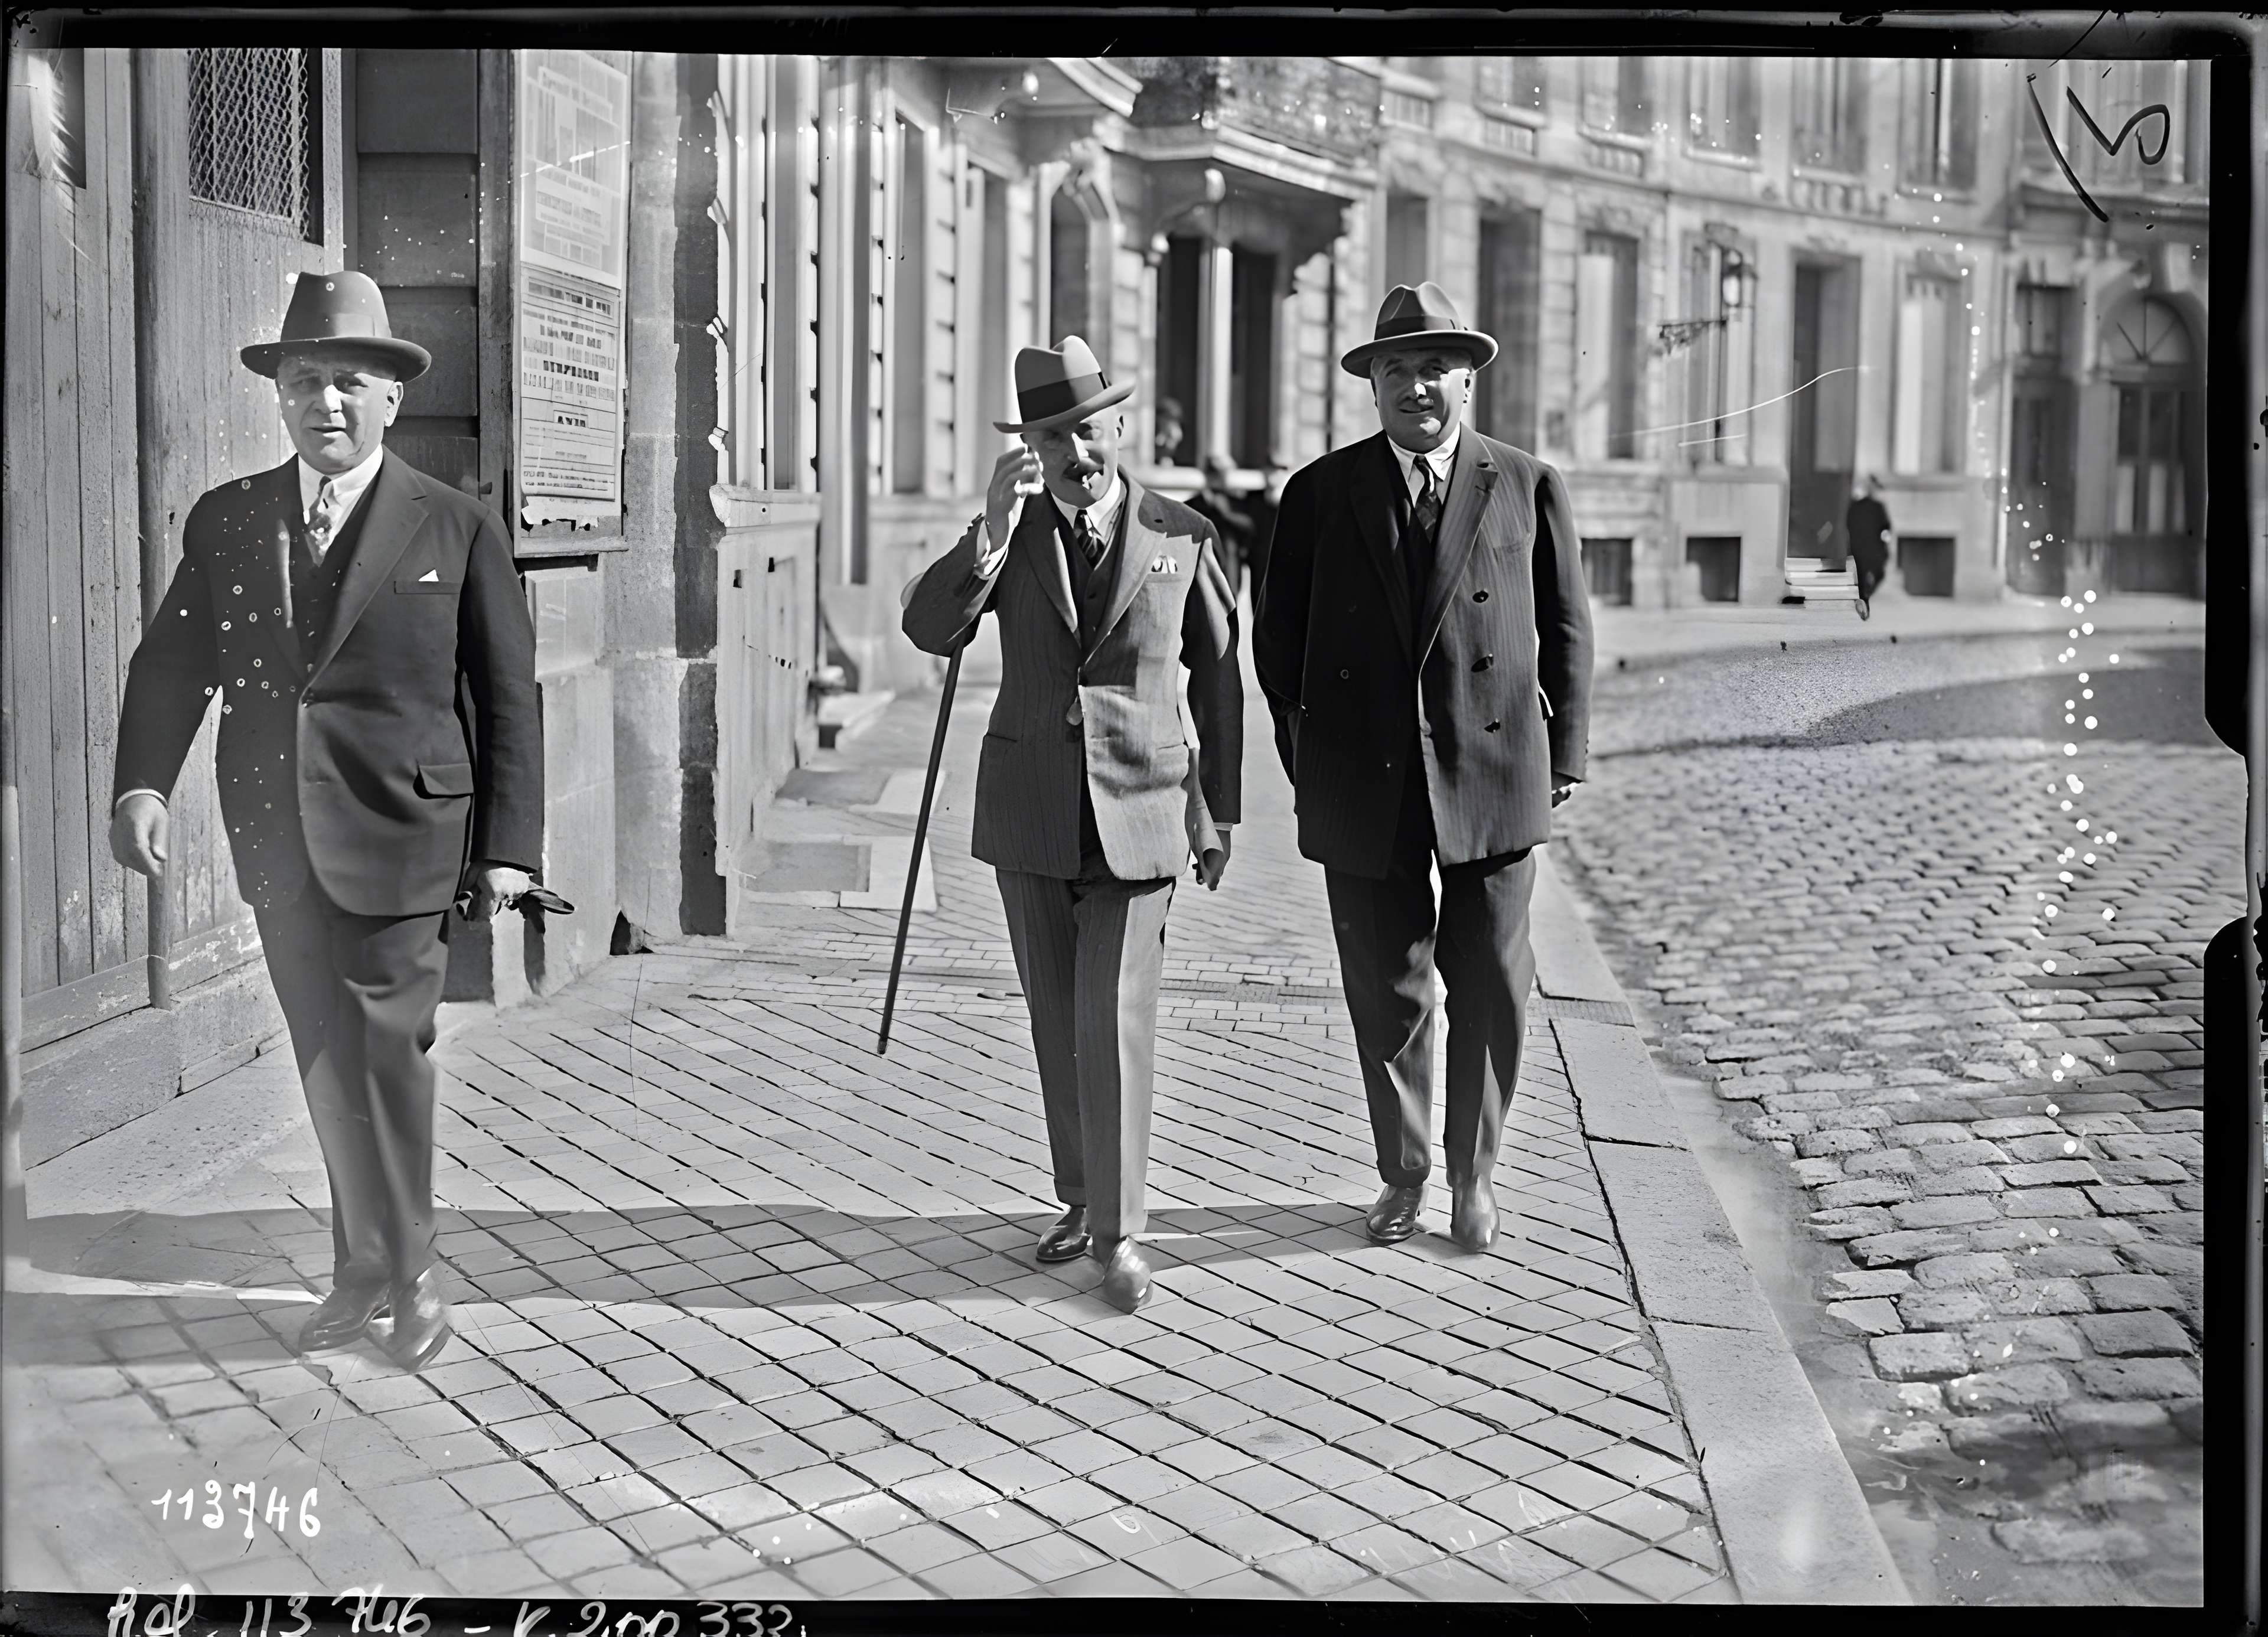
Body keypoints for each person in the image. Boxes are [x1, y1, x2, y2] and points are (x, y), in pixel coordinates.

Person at [109, 271, 543, 1370]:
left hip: (407, 835)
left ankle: (412, 1273)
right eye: (306, 383)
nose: (328, 405)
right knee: (323, 1060)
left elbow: (507, 695)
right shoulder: (231, 517)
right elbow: (172, 664)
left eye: (350, 383)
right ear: (280, 396)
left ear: (392, 399)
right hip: (277, 835)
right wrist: (142, 784)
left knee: (387, 1052)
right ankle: (361, 1267)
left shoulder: (455, 523)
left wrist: (509, 847)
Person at [1254, 282, 1594, 1254]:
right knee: (1386, 985)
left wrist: (1563, 748)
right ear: (1372, 387)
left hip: (1493, 770)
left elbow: (1567, 625)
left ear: (1468, 378)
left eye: (1434, 368)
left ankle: (1475, 1177)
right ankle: (1404, 1174)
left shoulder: (1525, 483)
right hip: (1366, 780)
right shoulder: (1321, 492)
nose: (1416, 388)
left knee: (1489, 978)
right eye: (1396, 370)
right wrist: (1307, 751)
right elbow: (1276, 640)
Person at [902, 337, 1241, 1313]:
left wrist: (1217, 811)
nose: (1076, 456)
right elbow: (930, 629)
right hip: (1033, 812)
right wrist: (988, 530)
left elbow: (1218, 675)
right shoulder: (1009, 541)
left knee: (1114, 1019)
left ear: (1121, 429)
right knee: (1058, 1022)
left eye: (1087, 433)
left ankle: (1122, 1231)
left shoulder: (1182, 533)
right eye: (1053, 439)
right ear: (1029, 450)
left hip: (1140, 806)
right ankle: (1080, 1195)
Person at [1185, 452, 1256, 606]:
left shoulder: (1237, 503)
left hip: (1229, 569)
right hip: (1200, 570)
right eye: (1214, 474)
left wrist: (1225, 513)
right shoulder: (1194, 505)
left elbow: (1250, 529)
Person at [1846, 476, 1892, 620]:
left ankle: (1865, 600)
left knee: (1870, 577)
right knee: (1870, 577)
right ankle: (1864, 605)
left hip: (1864, 548)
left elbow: (1885, 529)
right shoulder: (1861, 506)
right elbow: (1886, 529)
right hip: (1866, 549)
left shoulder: (1873, 507)